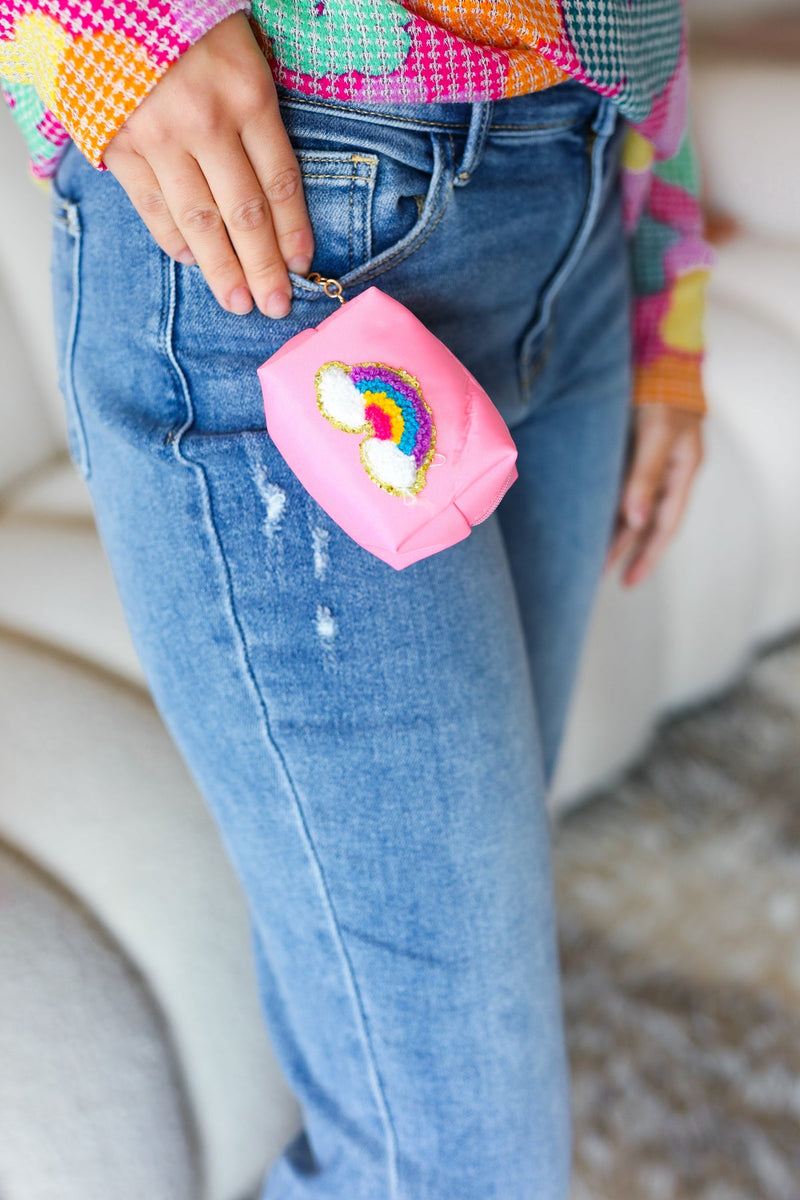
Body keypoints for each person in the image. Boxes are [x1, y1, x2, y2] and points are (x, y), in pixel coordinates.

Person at [1, 3, 713, 1197]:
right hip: (281, 229)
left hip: (581, 198)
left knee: (410, 1067)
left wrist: (666, 279)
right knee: (459, 1165)